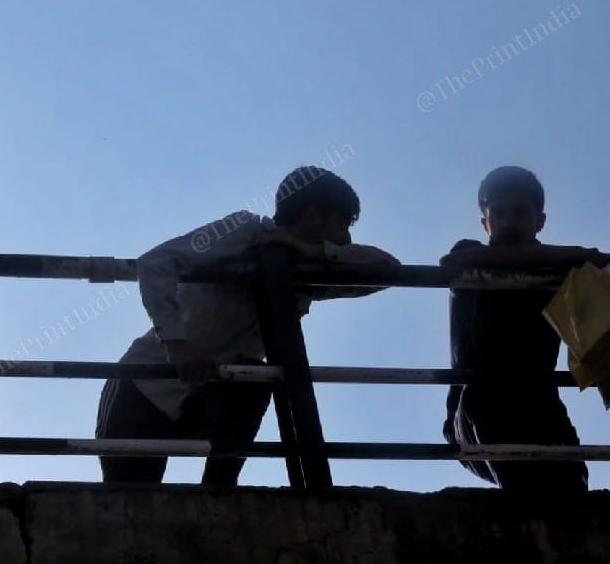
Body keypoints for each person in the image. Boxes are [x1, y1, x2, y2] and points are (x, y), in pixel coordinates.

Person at [95, 166, 399, 485]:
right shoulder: (243, 230)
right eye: (342, 224)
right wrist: (176, 343)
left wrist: (316, 251)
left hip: (206, 395)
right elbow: (156, 263)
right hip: (144, 388)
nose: (347, 239)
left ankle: (218, 494)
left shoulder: (307, 273)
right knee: (129, 509)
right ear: (313, 216)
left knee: (254, 384)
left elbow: (389, 270)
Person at [441, 166, 609, 492]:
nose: (508, 222)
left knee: (573, 487)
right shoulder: (471, 254)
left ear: (539, 221)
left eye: (519, 212)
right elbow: (451, 264)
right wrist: (578, 254)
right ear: (484, 222)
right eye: (499, 213)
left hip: (539, 406)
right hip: (474, 409)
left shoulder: (559, 276)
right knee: (486, 396)